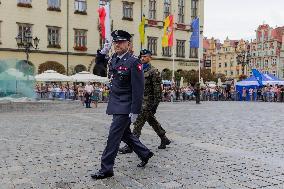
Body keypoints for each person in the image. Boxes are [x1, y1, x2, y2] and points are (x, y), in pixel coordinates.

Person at [90, 30, 154, 180]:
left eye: (121, 42)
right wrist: (101, 53)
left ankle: (106, 169)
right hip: (115, 103)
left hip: (125, 106)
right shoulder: (114, 59)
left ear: (128, 44)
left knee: (113, 136)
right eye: (115, 42)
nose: (117, 44)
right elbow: (98, 70)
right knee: (126, 134)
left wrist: (135, 111)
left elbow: (138, 89)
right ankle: (145, 153)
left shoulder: (134, 62)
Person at [119, 49, 171, 154]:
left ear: (150, 58)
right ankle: (164, 138)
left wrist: (155, 105)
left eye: (145, 56)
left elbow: (157, 90)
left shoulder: (153, 71)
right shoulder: (138, 69)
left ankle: (131, 145)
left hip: (148, 102)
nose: (142, 58)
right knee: (152, 121)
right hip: (139, 100)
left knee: (138, 122)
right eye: (141, 56)